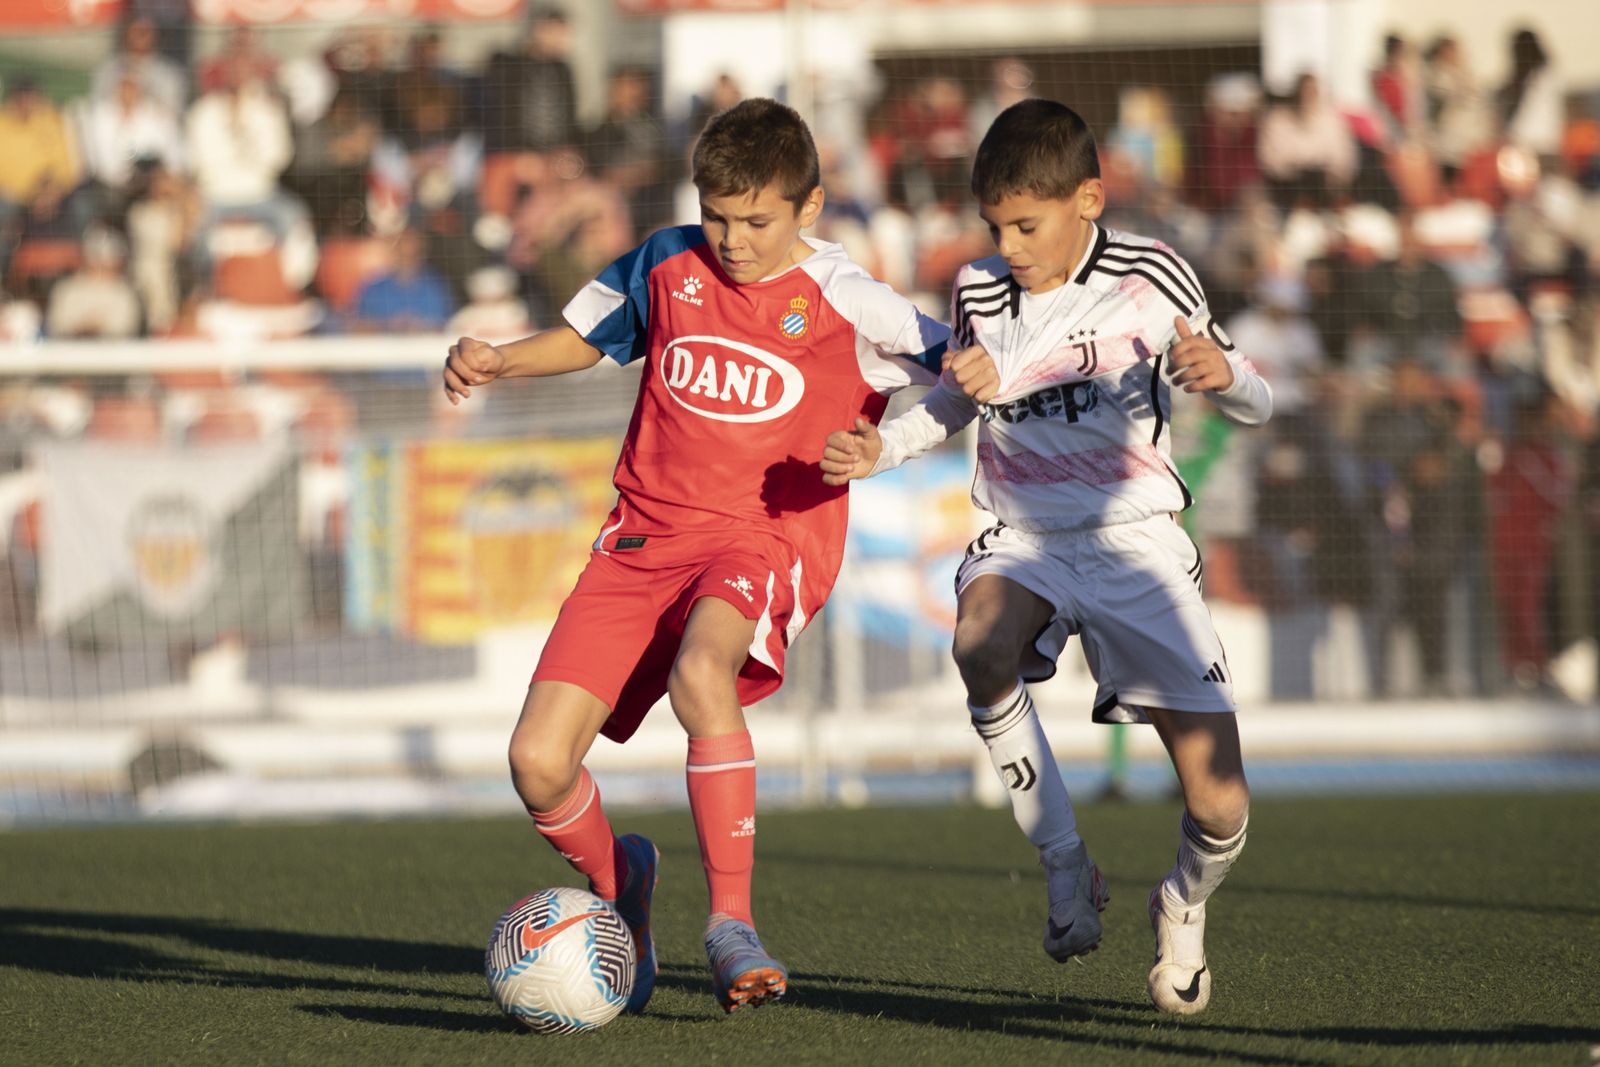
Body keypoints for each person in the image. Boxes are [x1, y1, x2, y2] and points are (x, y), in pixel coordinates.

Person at [441, 97, 989, 1015]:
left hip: (763, 534)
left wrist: (889, 447)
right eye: (719, 216)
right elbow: (588, 338)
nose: (734, 240)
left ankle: (731, 924)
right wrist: (501, 359)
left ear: (809, 208)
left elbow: (964, 369)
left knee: (704, 673)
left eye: (758, 221)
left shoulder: (847, 296)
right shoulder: (666, 261)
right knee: (537, 762)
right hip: (641, 537)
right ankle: (625, 885)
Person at [820, 98, 1273, 1015]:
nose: (1009, 244)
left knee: (1221, 806)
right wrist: (885, 449)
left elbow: (1247, 393)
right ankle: (1066, 861)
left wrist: (1232, 382)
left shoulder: (1153, 274)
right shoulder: (979, 287)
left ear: (1089, 200)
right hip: (1022, 535)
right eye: (996, 225)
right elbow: (957, 399)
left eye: (1026, 224)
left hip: (1137, 542)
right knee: (978, 646)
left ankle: (1180, 902)